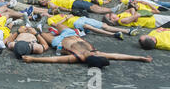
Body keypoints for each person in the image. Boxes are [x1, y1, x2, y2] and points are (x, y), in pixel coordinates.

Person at [22, 23, 152, 66]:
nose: (91, 52)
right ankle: (54, 28)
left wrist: (33, 59)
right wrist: (140, 58)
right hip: (71, 34)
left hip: (59, 42)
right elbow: (117, 56)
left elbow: (54, 59)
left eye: (90, 54)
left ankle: (40, 29)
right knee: (58, 24)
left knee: (43, 34)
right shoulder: (97, 53)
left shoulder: (76, 58)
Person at [46, 13, 138, 40]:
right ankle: (113, 35)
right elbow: (57, 25)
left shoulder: (60, 13)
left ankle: (127, 31)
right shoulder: (50, 19)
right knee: (88, 27)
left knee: (104, 25)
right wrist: (66, 18)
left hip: (81, 18)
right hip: (75, 24)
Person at [103, 8, 170, 29]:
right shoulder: (121, 20)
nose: (112, 14)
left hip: (150, 17)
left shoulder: (120, 15)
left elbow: (132, 9)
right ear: (112, 20)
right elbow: (137, 15)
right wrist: (134, 15)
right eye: (110, 15)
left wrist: (133, 15)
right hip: (152, 21)